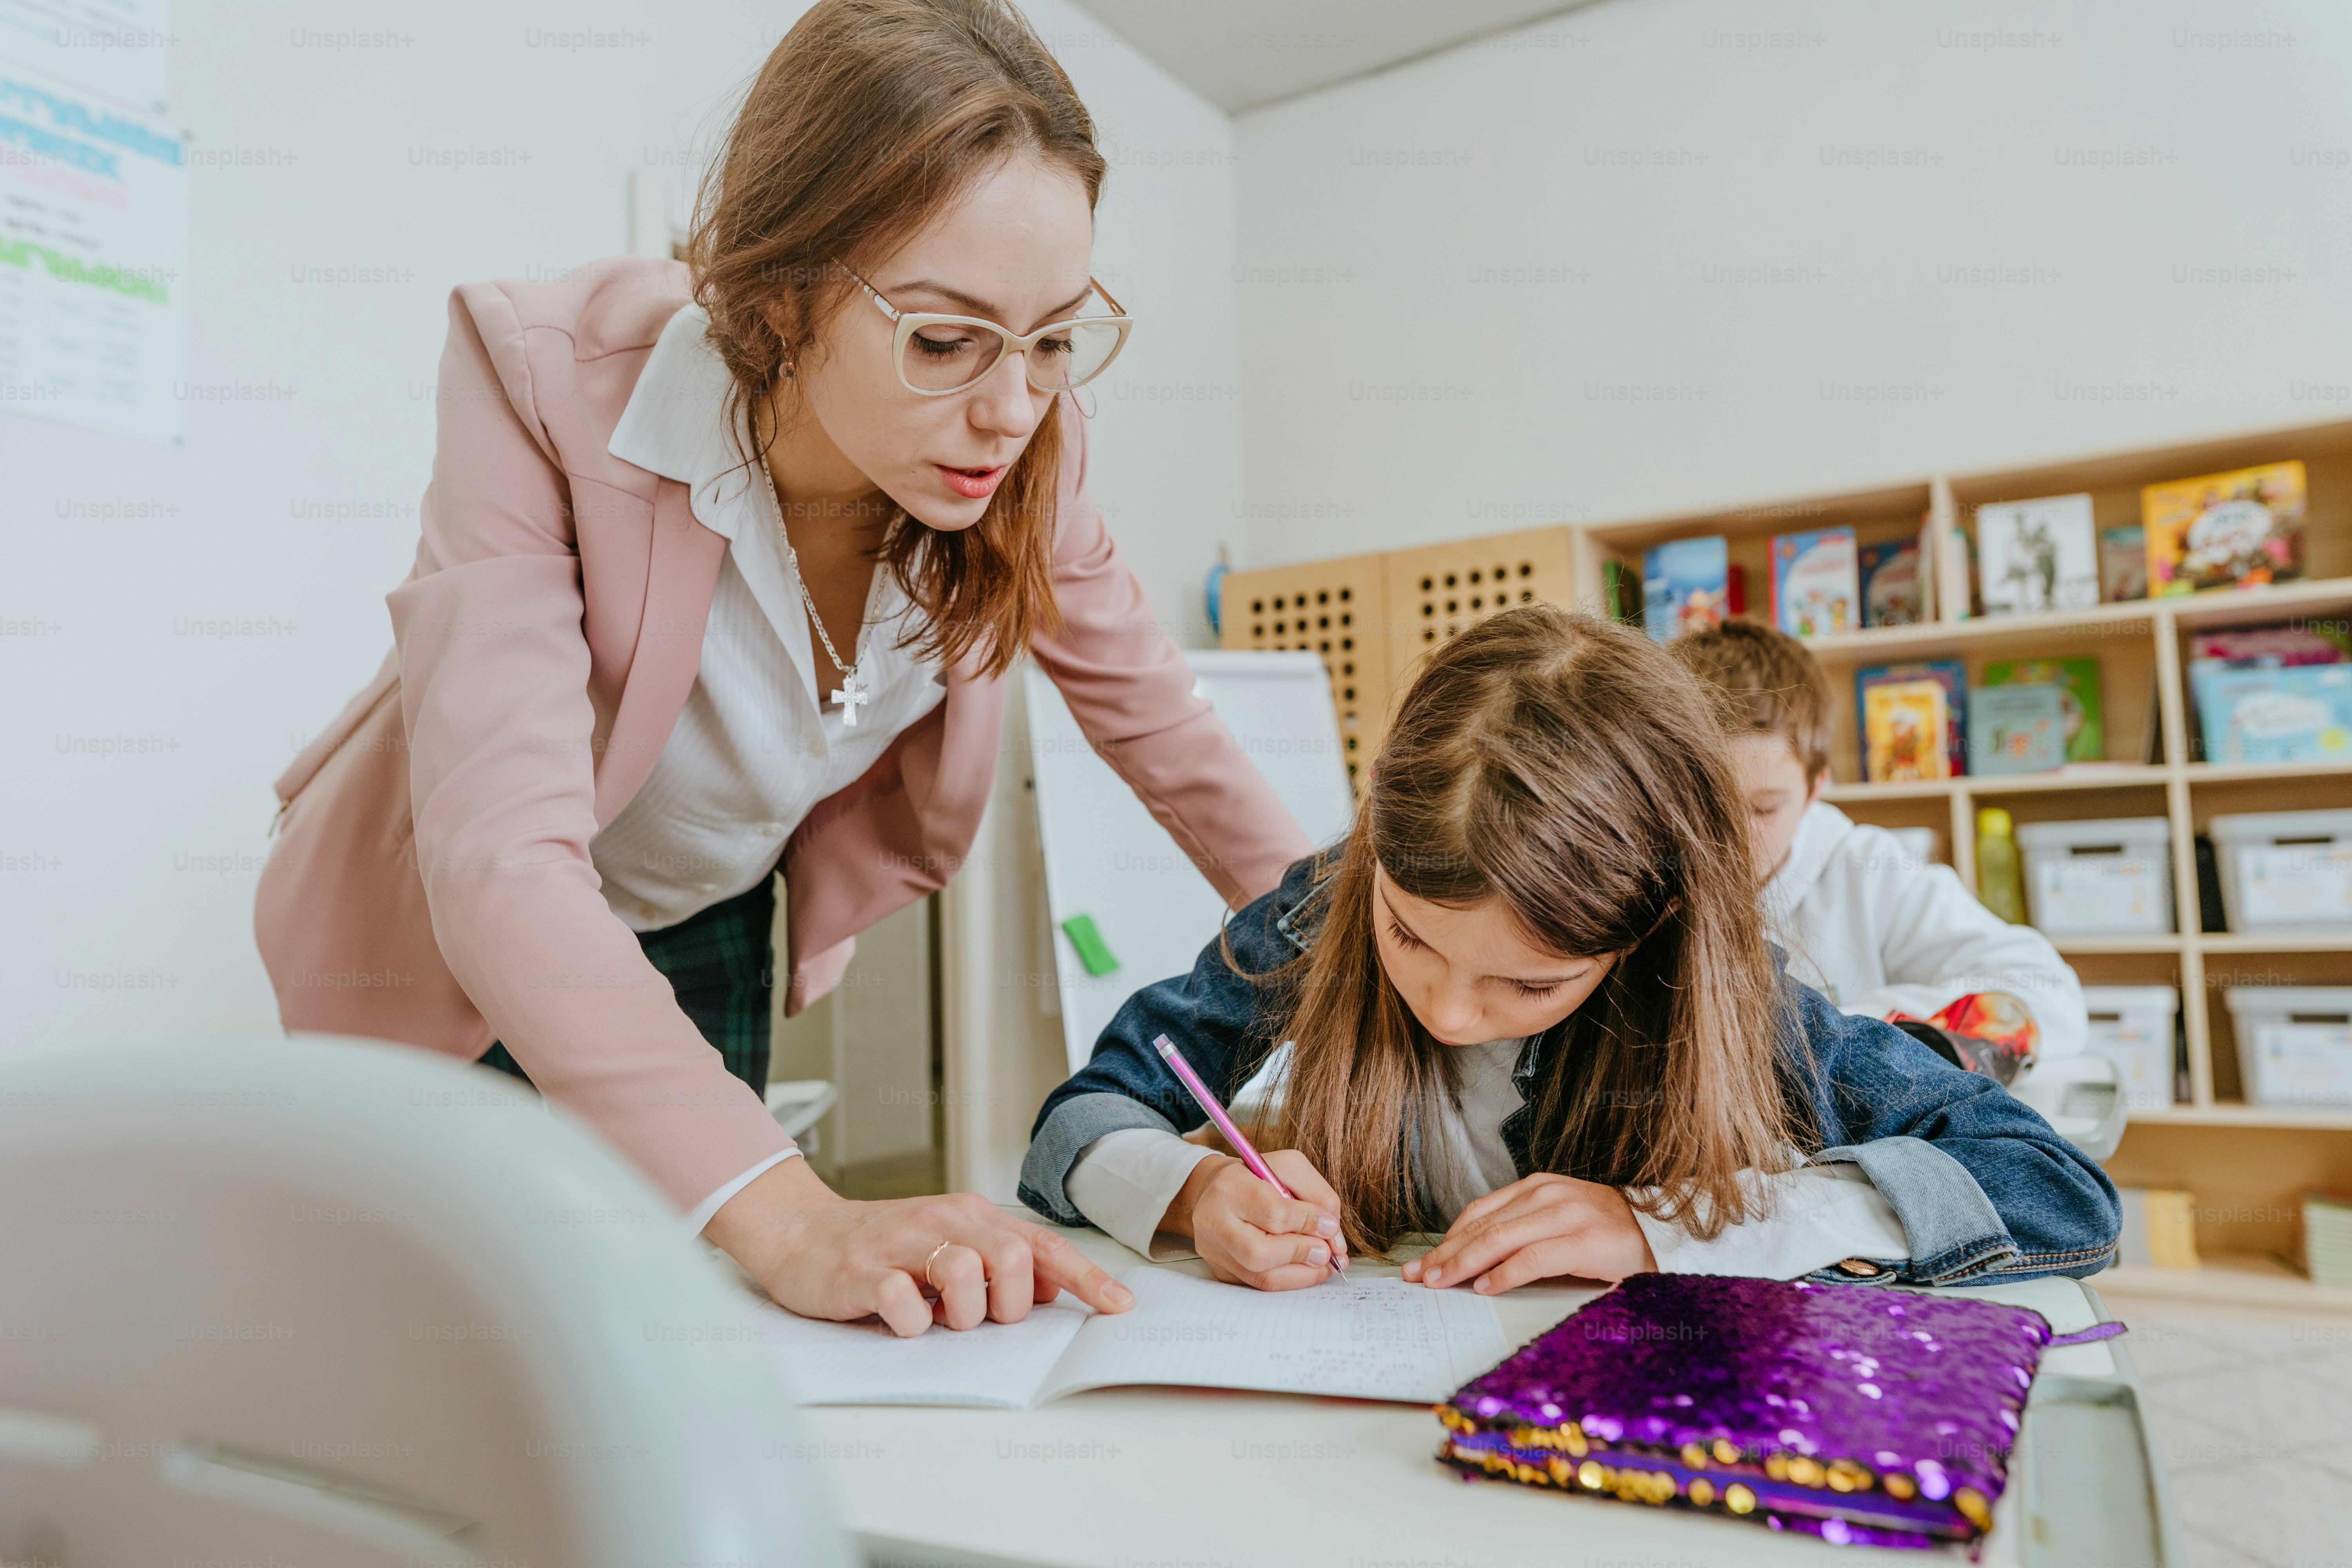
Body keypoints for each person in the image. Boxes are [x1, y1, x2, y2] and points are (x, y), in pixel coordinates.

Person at [255, 0, 1314, 1336]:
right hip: (452, 925)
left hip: (709, 914)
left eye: (1054, 337)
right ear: (776, 295)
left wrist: (1377, 974)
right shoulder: (545, 380)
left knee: (681, 1317)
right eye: (947, 338)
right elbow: (504, 864)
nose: (1014, 407)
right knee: (459, 1321)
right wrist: (800, 1211)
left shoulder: (1029, 445)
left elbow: (1173, 738)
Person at [1018, 606, 2118, 1295]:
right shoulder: (1325, 907)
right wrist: (1193, 1192)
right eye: (1411, 937)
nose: (1449, 1014)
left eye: (1529, 981)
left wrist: (1671, 1228)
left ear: (1645, 938)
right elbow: (1084, 1114)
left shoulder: (1724, 990)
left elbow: (2054, 1189)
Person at [1668, 621, 2087, 1063]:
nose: (1728, 837)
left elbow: (2047, 993)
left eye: (1763, 809)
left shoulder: (1866, 869)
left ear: (1816, 788)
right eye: (1703, 804)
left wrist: (1844, 1031)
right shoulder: (1634, 872)